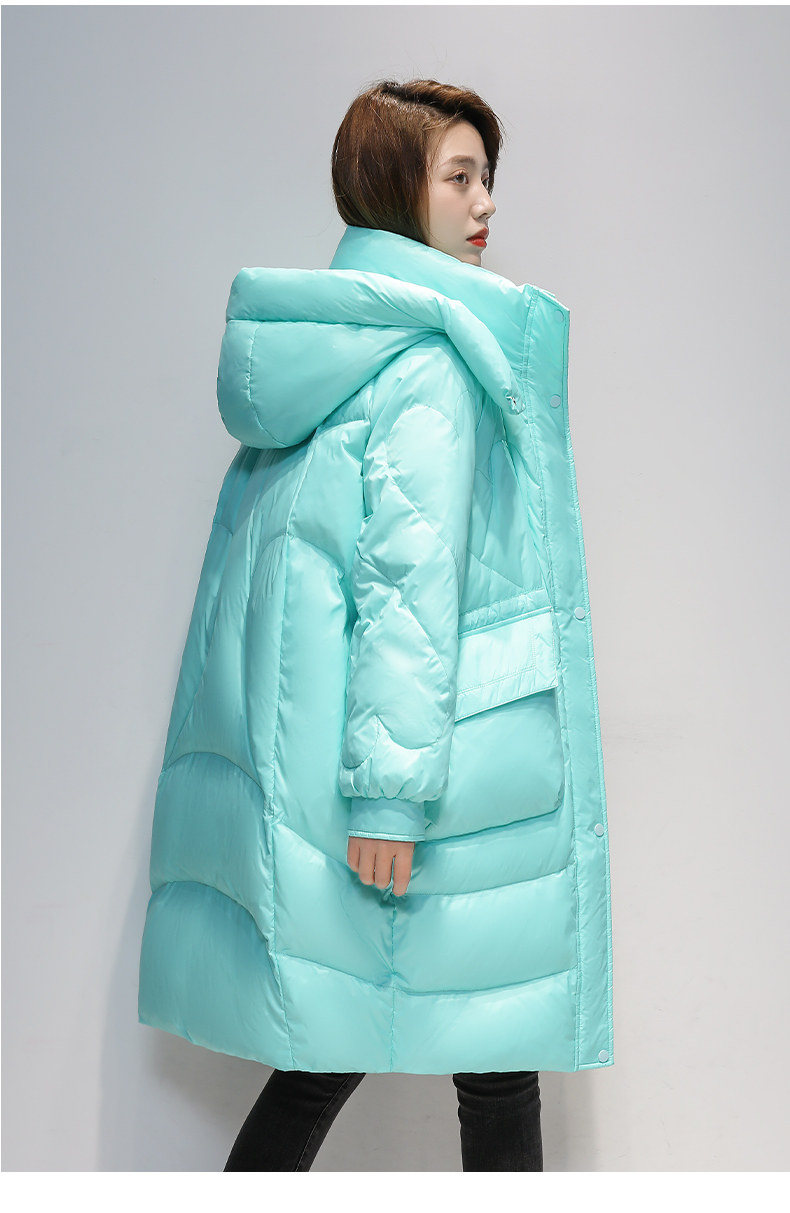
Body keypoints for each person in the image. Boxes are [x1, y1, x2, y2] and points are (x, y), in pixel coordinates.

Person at [138, 78, 614, 1172]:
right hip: (446, 780)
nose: (485, 202)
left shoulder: (338, 348)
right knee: (477, 1057)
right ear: (397, 188)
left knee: (356, 1047)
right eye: (459, 176)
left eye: (487, 176)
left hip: (367, 760)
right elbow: (404, 589)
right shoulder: (432, 362)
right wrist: (390, 798)